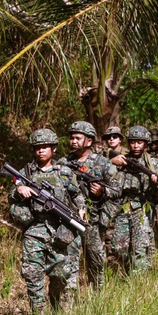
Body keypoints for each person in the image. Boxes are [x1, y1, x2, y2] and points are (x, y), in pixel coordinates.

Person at [9, 129, 86, 315]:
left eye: (45, 147)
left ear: (53, 148)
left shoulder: (65, 173)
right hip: (34, 230)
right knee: (32, 275)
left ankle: (55, 306)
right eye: (37, 147)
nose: (41, 151)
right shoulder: (24, 173)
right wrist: (20, 190)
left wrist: (82, 209)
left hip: (59, 231)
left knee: (60, 276)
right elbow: (11, 195)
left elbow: (77, 195)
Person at [59, 121, 122, 290]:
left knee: (95, 263)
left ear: (89, 141)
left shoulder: (102, 163)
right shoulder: (63, 163)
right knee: (67, 264)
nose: (73, 141)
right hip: (68, 220)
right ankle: (68, 301)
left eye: (78, 138)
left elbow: (118, 189)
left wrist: (102, 192)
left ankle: (98, 298)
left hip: (92, 222)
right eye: (71, 138)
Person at [108, 126, 158, 273]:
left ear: (145, 144)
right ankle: (128, 270)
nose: (136, 145)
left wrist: (155, 183)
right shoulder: (122, 160)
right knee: (118, 248)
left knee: (140, 247)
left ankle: (140, 281)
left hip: (142, 207)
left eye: (139, 142)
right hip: (122, 207)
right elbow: (103, 168)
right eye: (133, 142)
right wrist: (113, 162)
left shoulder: (153, 163)